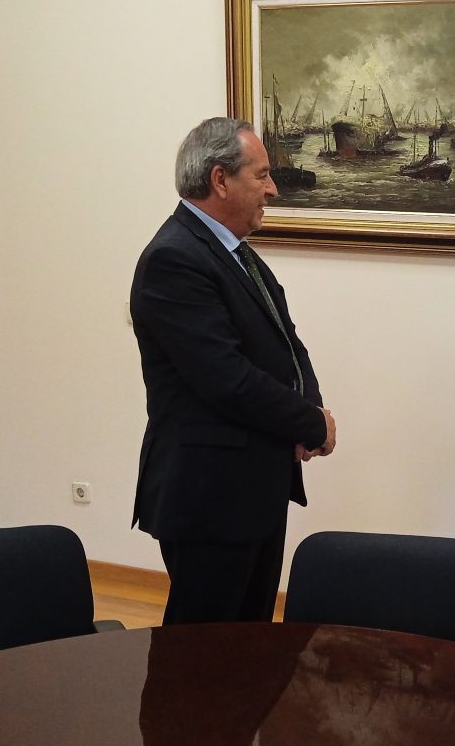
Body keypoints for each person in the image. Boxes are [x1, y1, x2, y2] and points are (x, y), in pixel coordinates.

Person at [130, 117, 335, 625]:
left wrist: (308, 407)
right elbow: (227, 378)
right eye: (261, 175)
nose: (274, 188)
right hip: (210, 497)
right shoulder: (174, 260)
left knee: (246, 646)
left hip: (252, 488)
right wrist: (310, 424)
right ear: (220, 180)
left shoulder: (232, 252)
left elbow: (287, 344)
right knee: (200, 658)